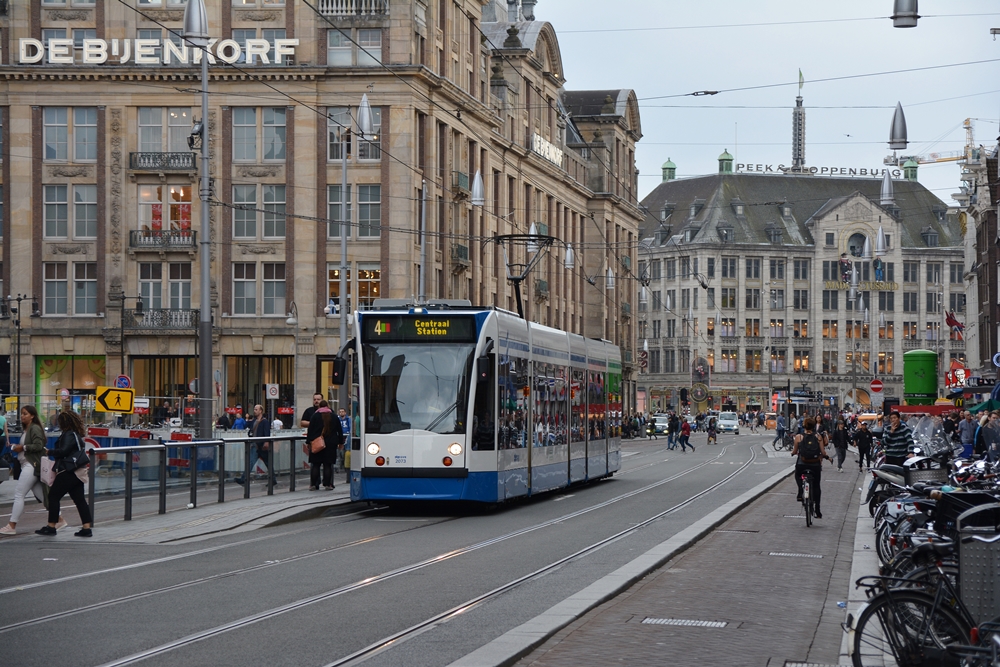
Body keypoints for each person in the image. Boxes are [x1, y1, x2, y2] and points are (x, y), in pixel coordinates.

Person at [1, 406, 58, 536]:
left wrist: (22, 447)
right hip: (27, 464)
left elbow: (39, 446)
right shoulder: (27, 428)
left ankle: (12, 525)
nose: (22, 416)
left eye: (25, 414)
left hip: (31, 465)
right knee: (42, 495)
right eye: (21, 414)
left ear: (32, 415)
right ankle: (59, 519)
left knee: (19, 494)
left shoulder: (35, 428)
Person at [36, 410, 93, 537]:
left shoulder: (68, 434)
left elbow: (64, 451)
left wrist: (49, 452)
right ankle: (86, 527)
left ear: (64, 422)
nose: (57, 423)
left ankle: (51, 526)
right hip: (78, 471)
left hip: (69, 471)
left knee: (53, 497)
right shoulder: (77, 434)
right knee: (79, 500)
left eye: (59, 421)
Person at [791, 417, 832, 518]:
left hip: (802, 463)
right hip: (815, 464)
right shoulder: (818, 437)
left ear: (804, 426)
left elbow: (795, 451)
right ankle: (817, 509)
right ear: (814, 426)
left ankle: (801, 491)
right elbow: (823, 452)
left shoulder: (799, 437)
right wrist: (827, 457)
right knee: (817, 486)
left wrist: (793, 453)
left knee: (797, 474)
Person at [234, 404, 276, 485]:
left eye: (256, 409)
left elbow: (267, 433)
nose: (254, 411)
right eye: (254, 409)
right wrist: (245, 419)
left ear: (261, 411)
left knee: (268, 464)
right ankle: (243, 479)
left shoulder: (265, 422)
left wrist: (266, 442)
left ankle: (273, 480)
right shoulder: (253, 421)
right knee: (250, 462)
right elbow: (245, 426)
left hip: (262, 446)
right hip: (255, 446)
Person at [307, 400, 343, 490]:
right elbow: (340, 430)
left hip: (317, 443)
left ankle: (314, 484)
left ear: (319, 407)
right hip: (331, 444)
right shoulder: (334, 416)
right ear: (328, 406)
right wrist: (341, 442)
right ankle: (327, 484)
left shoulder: (315, 416)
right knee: (328, 465)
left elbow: (310, 430)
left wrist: (308, 442)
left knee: (316, 465)